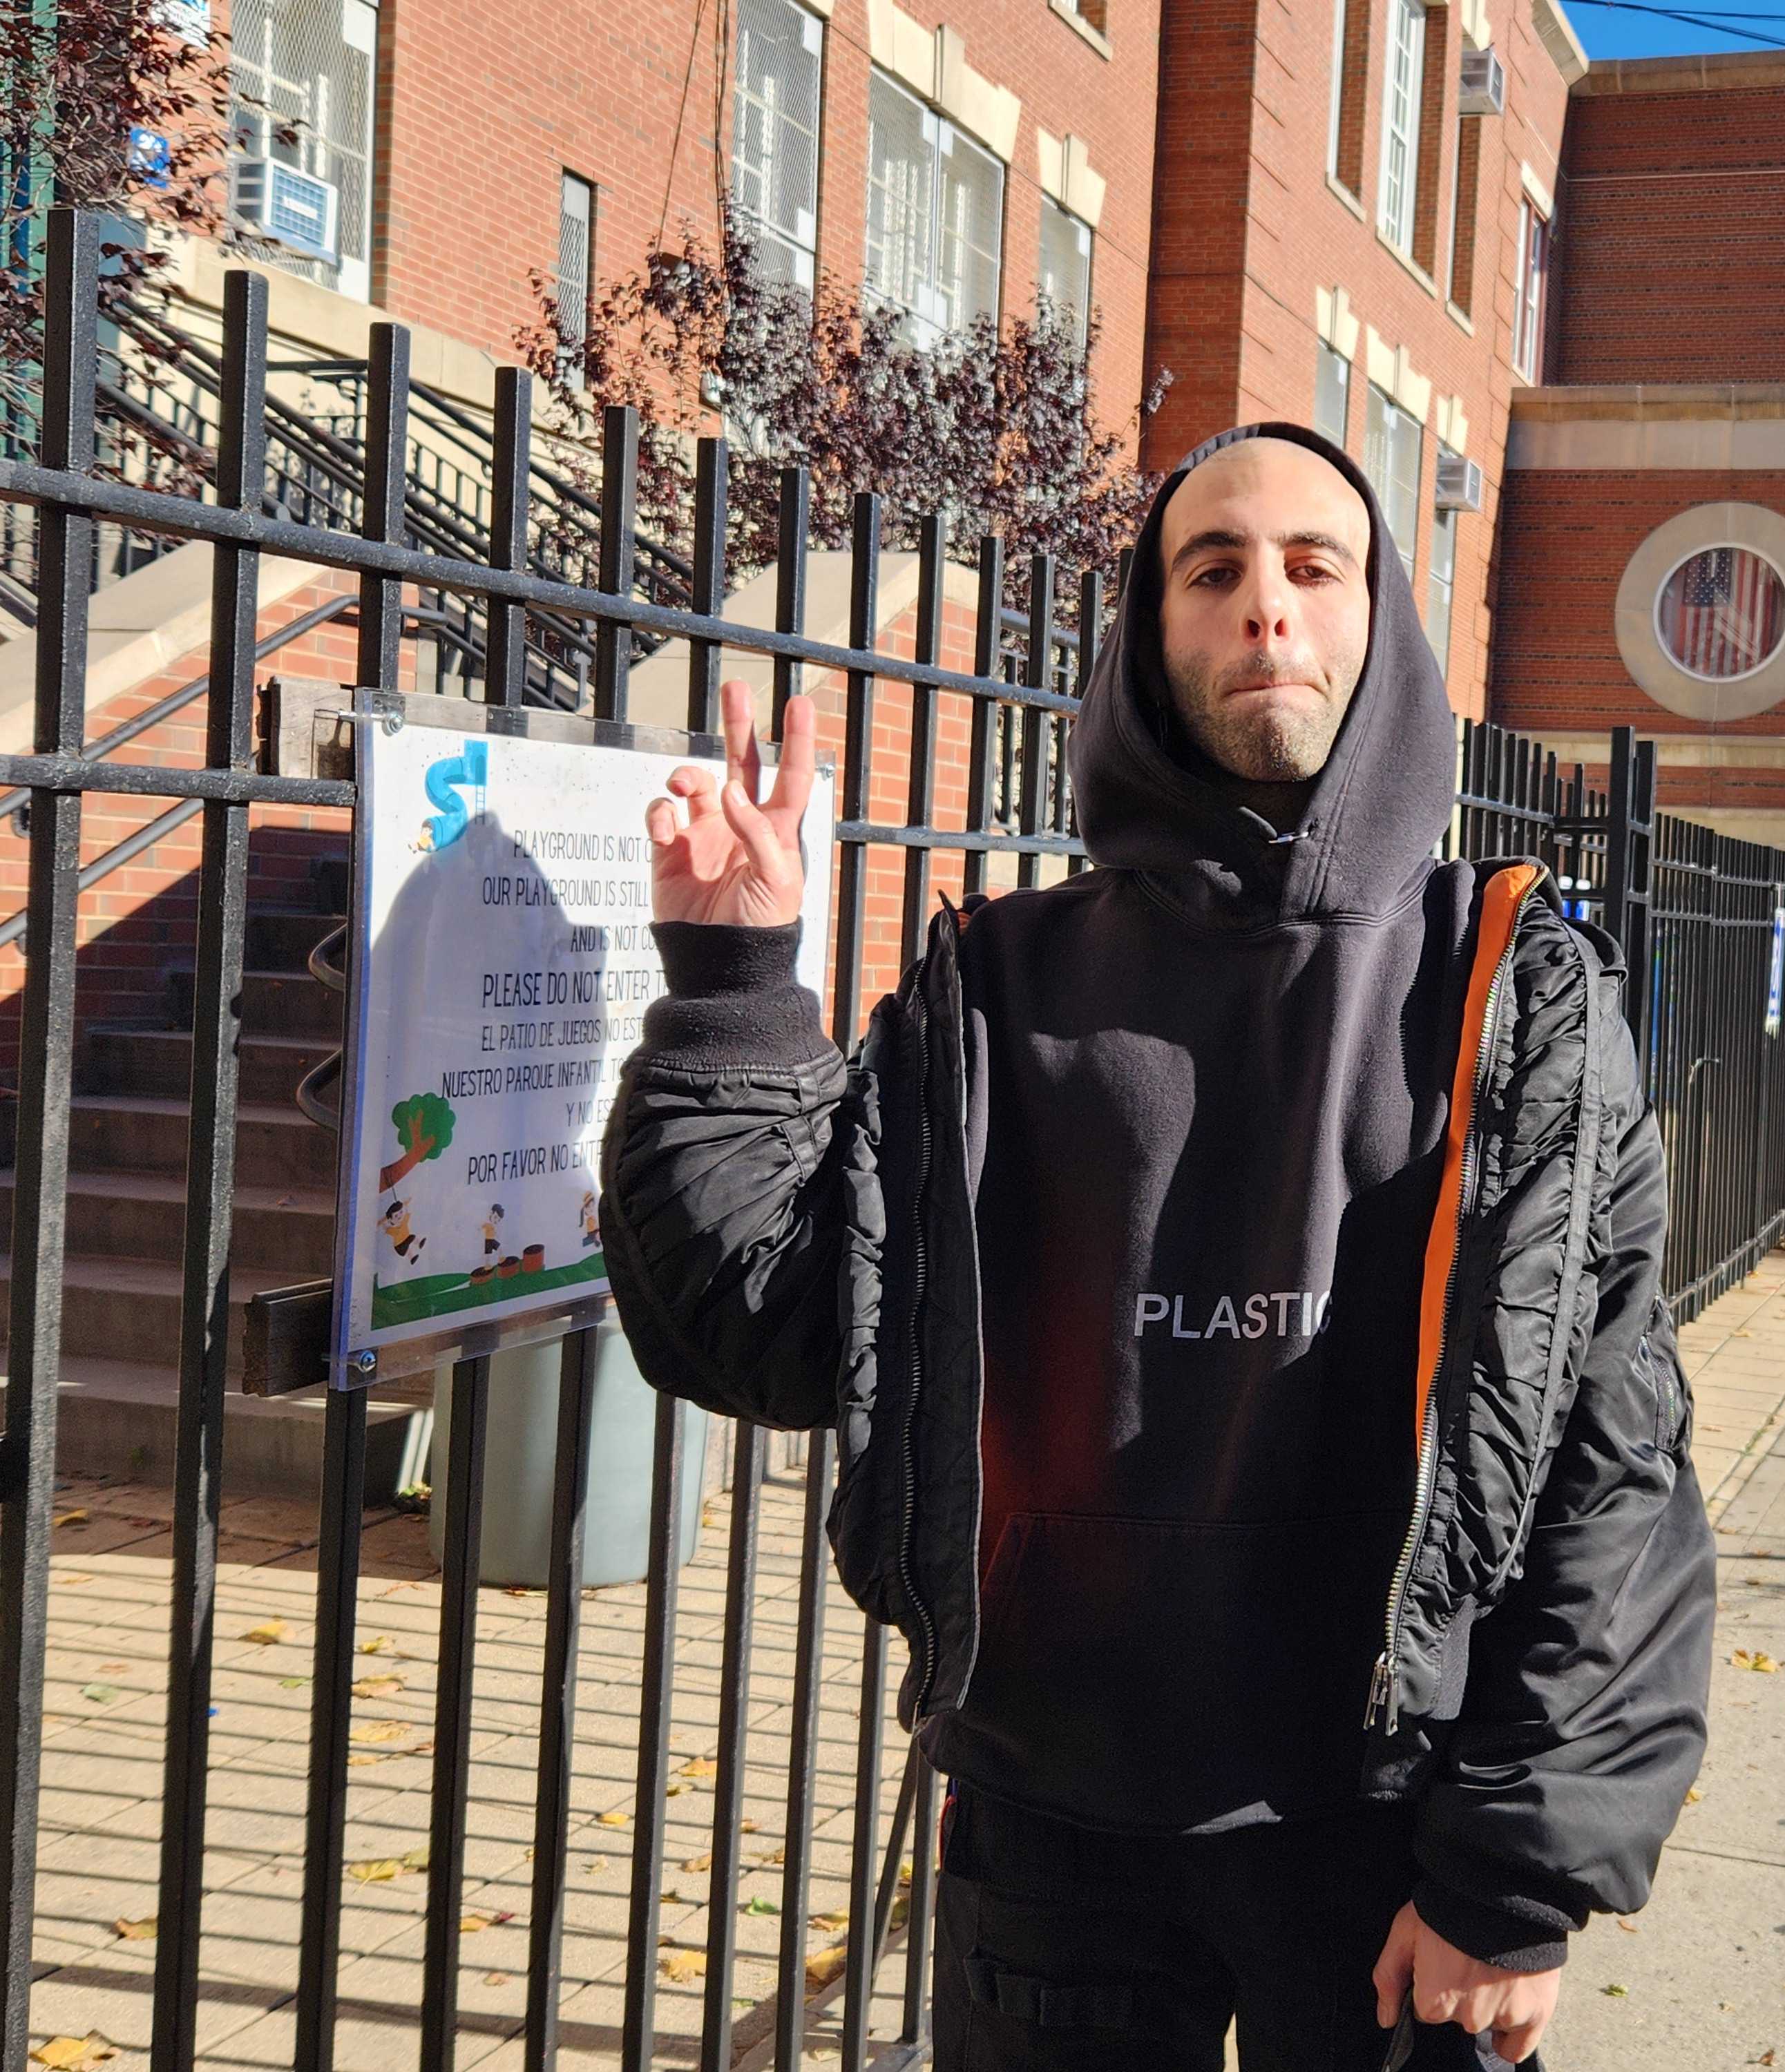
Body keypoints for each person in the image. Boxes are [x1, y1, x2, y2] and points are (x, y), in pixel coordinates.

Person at [598, 424, 1712, 2071]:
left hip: (1394, 1831)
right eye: (1214, 567)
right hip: (1053, 1832)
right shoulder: (997, 986)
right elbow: (757, 1326)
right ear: (1150, 628)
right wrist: (735, 985)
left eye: (1310, 564)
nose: (1264, 604)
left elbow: (1610, 1458)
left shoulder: (1512, 984)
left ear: (1377, 620)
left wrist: (1518, 1870)